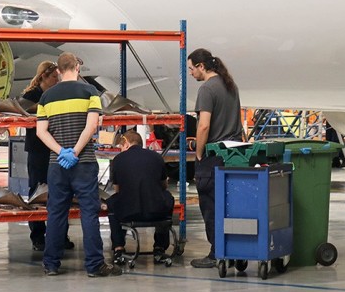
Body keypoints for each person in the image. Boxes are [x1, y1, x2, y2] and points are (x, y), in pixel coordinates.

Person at [36, 52, 122, 277]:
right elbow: (91, 126)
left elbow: (40, 131)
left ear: (58, 71)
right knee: (89, 213)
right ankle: (94, 265)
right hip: (83, 162)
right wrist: (75, 151)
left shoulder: (46, 97)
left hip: (57, 164)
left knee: (55, 213)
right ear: (77, 68)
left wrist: (61, 152)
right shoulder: (90, 92)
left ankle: (51, 264)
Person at [187, 48, 243, 268]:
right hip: (235, 155)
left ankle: (216, 252)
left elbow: (204, 125)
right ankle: (233, 249)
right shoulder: (231, 85)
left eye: (192, 69)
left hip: (213, 157)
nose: (191, 73)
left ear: (202, 66)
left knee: (211, 207)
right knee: (230, 206)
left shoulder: (207, 89)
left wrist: (199, 152)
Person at [20, 60, 73, 251]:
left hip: (55, 147)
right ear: (43, 76)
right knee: (37, 191)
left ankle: (60, 234)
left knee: (59, 191)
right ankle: (38, 235)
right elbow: (24, 110)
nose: (56, 80)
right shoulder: (31, 95)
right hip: (38, 150)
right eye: (53, 77)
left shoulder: (56, 93)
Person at [106, 130, 174, 264]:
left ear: (126, 143)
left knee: (112, 202)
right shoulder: (156, 157)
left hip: (129, 212)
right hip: (156, 212)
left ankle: (119, 248)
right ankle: (159, 248)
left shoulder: (118, 160)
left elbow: (117, 189)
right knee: (168, 198)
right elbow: (164, 185)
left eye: (121, 145)